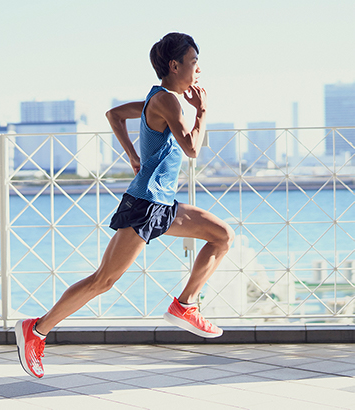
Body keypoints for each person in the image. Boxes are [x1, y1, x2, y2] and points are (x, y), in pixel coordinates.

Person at [15, 32, 235, 379]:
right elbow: (192, 148)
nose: (198, 70)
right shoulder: (169, 102)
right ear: (175, 65)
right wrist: (203, 111)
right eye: (194, 62)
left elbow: (113, 115)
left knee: (221, 236)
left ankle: (185, 305)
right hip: (146, 204)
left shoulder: (158, 99)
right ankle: (37, 330)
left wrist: (133, 155)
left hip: (162, 204)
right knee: (104, 280)